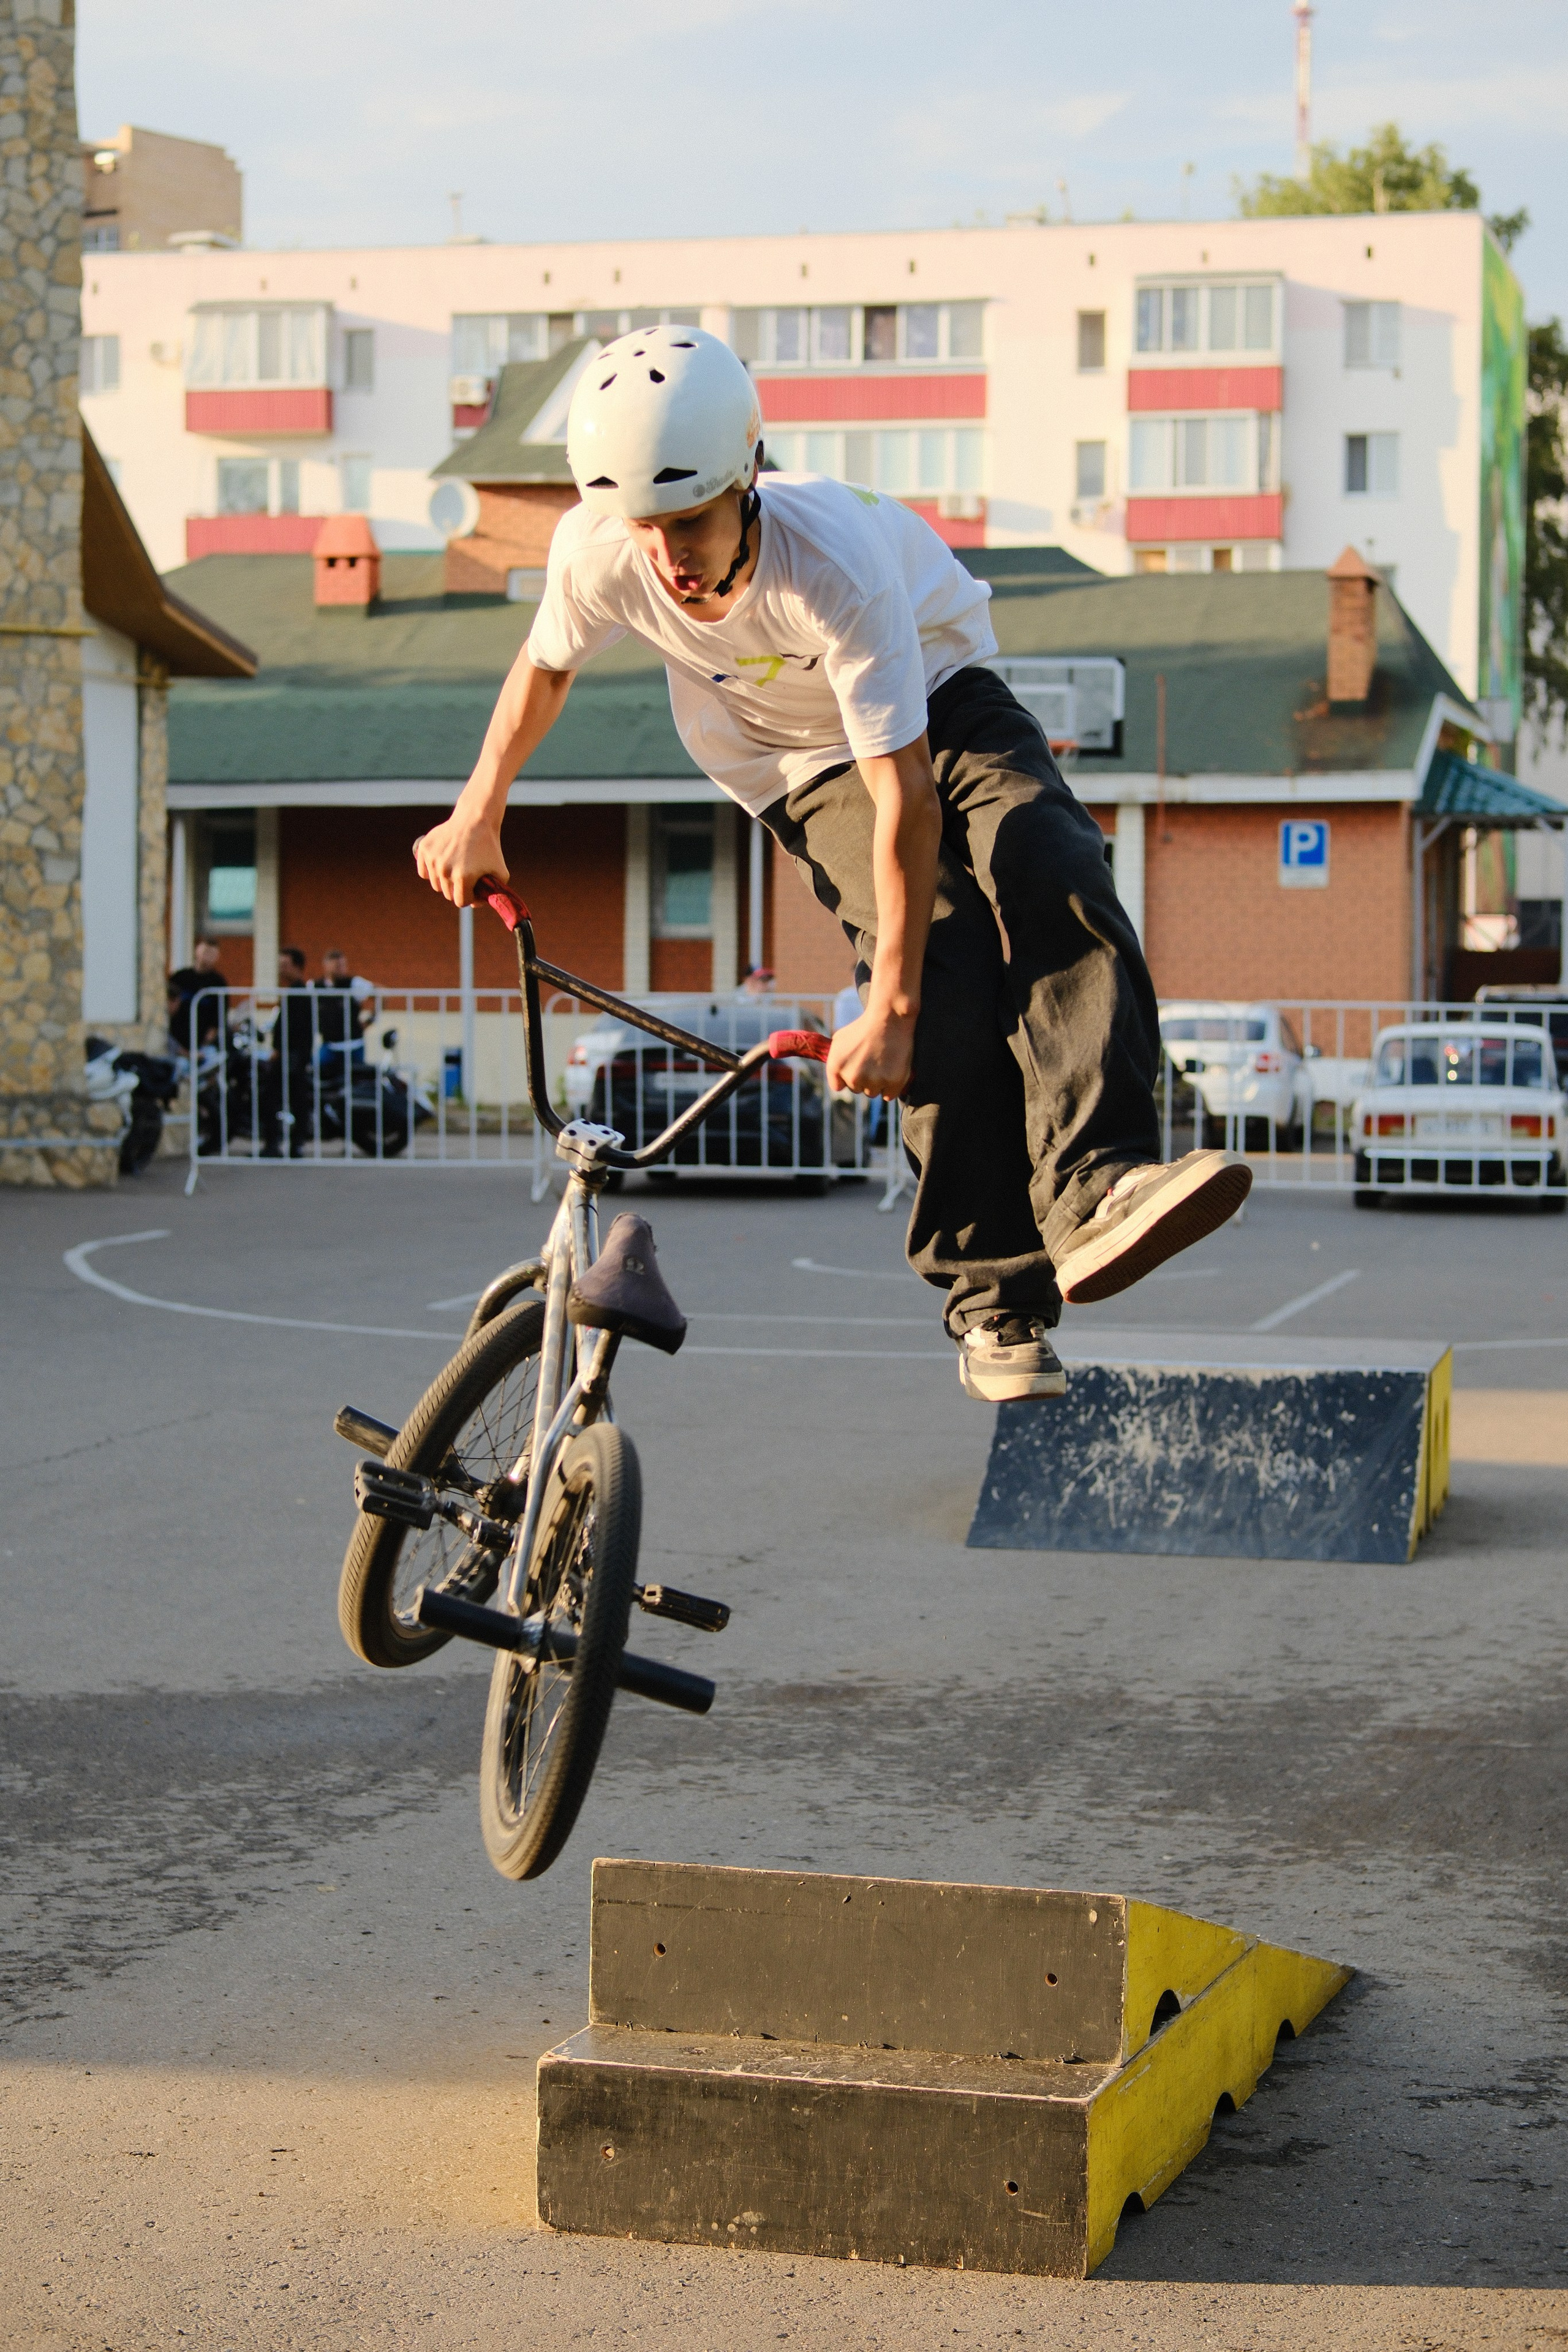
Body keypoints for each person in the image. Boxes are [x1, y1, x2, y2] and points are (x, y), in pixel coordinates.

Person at [412, 326, 1250, 1402]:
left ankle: (1101, 1184)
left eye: (693, 523)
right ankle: (994, 1295)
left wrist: (883, 997)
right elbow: (544, 668)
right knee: (940, 966)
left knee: (1050, 859)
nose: (671, 557)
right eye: (648, 527)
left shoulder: (834, 567)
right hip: (788, 761)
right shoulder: (598, 549)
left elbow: (904, 790)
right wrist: (479, 810)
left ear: (746, 478)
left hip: (939, 692)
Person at [260, 947, 317, 1157]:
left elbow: (294, 1028)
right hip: (293, 1056)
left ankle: (277, 1146)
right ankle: (290, 1145)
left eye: (285, 965)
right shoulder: (294, 992)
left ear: (296, 967)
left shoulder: (299, 993)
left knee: (274, 1099)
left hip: (291, 1057)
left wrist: (279, 1050)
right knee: (293, 1100)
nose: (280, 969)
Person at [315, 948, 377, 1072]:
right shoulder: (316, 986)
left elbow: (380, 995)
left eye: (344, 965)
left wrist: (370, 1020)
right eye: (338, 966)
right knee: (316, 1073)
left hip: (354, 1045)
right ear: (326, 966)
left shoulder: (354, 983)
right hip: (329, 1044)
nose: (342, 969)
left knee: (357, 1079)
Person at [167, 937, 228, 1054]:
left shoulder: (218, 983)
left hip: (203, 1043)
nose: (207, 957)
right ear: (197, 951)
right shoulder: (180, 977)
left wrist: (210, 1037)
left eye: (212, 954)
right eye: (205, 952)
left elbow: (220, 1014)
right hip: (178, 1038)